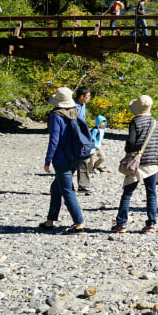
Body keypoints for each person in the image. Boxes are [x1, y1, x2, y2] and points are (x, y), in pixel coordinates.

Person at [111, 95, 158, 234]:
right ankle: (151, 224)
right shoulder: (155, 122)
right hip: (154, 163)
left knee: (128, 192)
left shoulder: (135, 121)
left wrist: (129, 153)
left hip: (138, 162)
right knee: (151, 193)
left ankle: (121, 224)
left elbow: (130, 142)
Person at [40, 87, 88, 234]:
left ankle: (79, 223)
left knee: (67, 190)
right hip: (76, 157)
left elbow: (54, 140)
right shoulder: (75, 112)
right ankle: (50, 221)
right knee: (56, 188)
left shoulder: (57, 116)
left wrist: (48, 160)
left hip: (62, 159)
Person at [74, 86, 94, 194]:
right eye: (88, 96)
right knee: (70, 162)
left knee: (83, 159)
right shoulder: (72, 106)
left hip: (82, 136)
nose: (89, 98)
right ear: (82, 96)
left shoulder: (83, 105)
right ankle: (58, 186)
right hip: (72, 137)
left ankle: (83, 185)